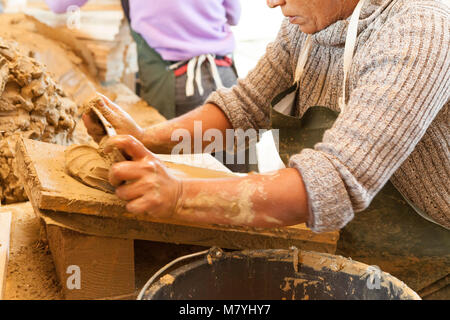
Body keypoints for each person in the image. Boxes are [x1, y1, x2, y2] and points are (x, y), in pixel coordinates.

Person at [45, 0, 242, 119]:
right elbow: (233, 15)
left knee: (184, 177)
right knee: (235, 179)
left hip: (178, 88)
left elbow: (59, 4)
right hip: (225, 77)